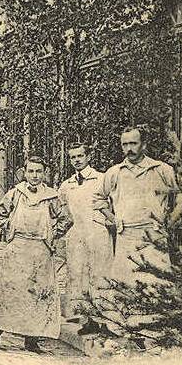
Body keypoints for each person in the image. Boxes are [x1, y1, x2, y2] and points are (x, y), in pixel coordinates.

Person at [93, 126, 182, 338]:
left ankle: (156, 332)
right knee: (126, 283)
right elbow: (98, 199)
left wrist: (168, 221)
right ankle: (127, 332)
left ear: (144, 144)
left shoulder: (162, 169)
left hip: (154, 236)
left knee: (156, 283)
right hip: (127, 236)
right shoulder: (114, 172)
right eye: (125, 144)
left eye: (133, 143)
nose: (129, 149)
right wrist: (114, 220)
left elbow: (180, 198)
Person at [0, 157, 72, 354]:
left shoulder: (52, 197)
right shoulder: (15, 193)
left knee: (36, 294)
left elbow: (66, 219)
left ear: (44, 173)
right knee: (7, 292)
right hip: (16, 249)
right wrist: (10, 228)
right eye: (31, 171)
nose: (34, 176)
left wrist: (51, 233)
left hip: (40, 251)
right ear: (24, 172)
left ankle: (31, 339)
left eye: (38, 172)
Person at [58, 142, 111, 331]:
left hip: (97, 232)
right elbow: (62, 210)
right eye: (73, 157)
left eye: (80, 156)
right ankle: (87, 320)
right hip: (77, 233)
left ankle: (105, 320)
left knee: (99, 274)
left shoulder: (101, 179)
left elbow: (111, 204)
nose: (77, 160)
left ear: (88, 157)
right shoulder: (67, 185)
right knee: (78, 274)